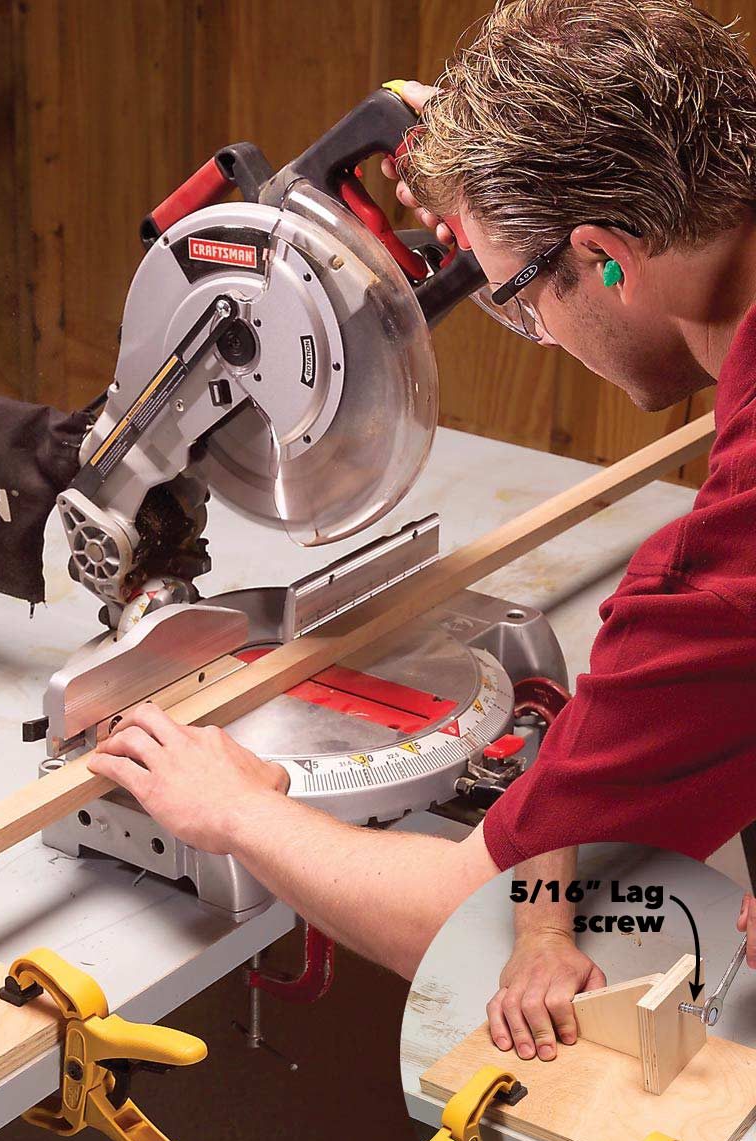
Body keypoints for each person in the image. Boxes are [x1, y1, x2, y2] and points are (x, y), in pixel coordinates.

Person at [87, 0, 756, 1061]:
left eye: (519, 300)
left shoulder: (729, 561)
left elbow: (454, 916)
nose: (533, 333)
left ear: (604, 255)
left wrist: (237, 808)